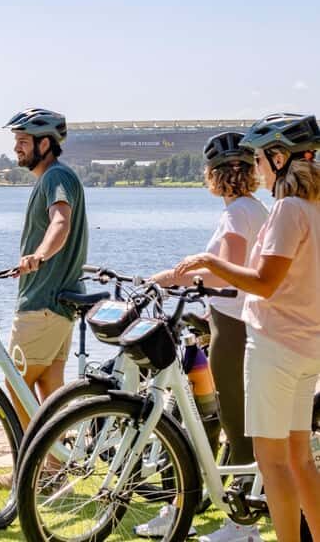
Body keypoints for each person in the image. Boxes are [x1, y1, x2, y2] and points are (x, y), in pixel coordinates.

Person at [175, 113, 320, 542]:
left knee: (272, 462)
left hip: (274, 348)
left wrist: (209, 262)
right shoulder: (314, 209)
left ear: (279, 158)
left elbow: (264, 283)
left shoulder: (288, 210)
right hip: (306, 346)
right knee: (300, 459)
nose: (255, 168)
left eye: (258, 158)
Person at [135, 132, 269, 540]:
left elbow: (221, 269)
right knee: (220, 418)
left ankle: (242, 527)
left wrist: (167, 278)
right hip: (239, 321)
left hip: (232, 327)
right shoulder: (255, 208)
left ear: (212, 176)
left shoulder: (235, 215)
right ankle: (186, 506)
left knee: (234, 421)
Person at [0, 108, 89, 490]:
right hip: (60, 306)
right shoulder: (51, 178)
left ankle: (27, 471)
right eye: (16, 141)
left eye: (23, 142)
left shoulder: (56, 177)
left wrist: (40, 255)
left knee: (15, 385)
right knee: (49, 393)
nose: (16, 148)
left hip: (43, 305)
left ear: (45, 144)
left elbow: (60, 221)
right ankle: (53, 471)